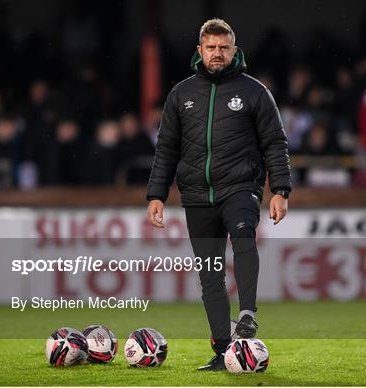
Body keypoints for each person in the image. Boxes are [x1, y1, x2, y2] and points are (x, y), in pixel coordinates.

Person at [145, 19, 291, 371]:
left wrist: (280, 190)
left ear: (234, 50)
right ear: (200, 51)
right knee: (209, 272)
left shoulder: (255, 92)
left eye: (224, 48)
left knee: (243, 236)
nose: (217, 54)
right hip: (196, 194)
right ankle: (223, 349)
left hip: (241, 187)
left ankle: (247, 316)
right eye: (211, 48)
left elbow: (275, 143)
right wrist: (156, 195)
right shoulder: (181, 94)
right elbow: (166, 149)